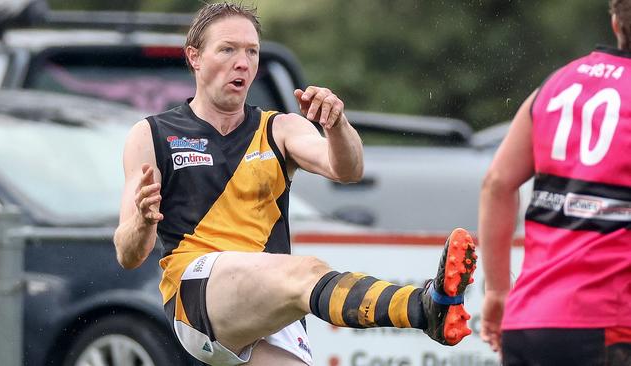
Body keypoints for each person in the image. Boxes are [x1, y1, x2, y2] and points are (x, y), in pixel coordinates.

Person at [114, 3, 477, 365]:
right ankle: (422, 307)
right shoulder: (152, 134)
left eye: (251, 51)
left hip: (269, 295)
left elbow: (346, 169)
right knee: (306, 273)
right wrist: (144, 222)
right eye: (228, 49)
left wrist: (337, 125)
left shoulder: (279, 128)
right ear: (195, 57)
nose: (243, 62)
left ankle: (429, 306)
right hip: (196, 293)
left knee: (296, 280)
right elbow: (128, 254)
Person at [479, 1, 631, 365]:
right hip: (608, 325)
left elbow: (496, 184)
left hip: (529, 322)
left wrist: (498, 290)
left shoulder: (558, 82)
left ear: (615, 24)